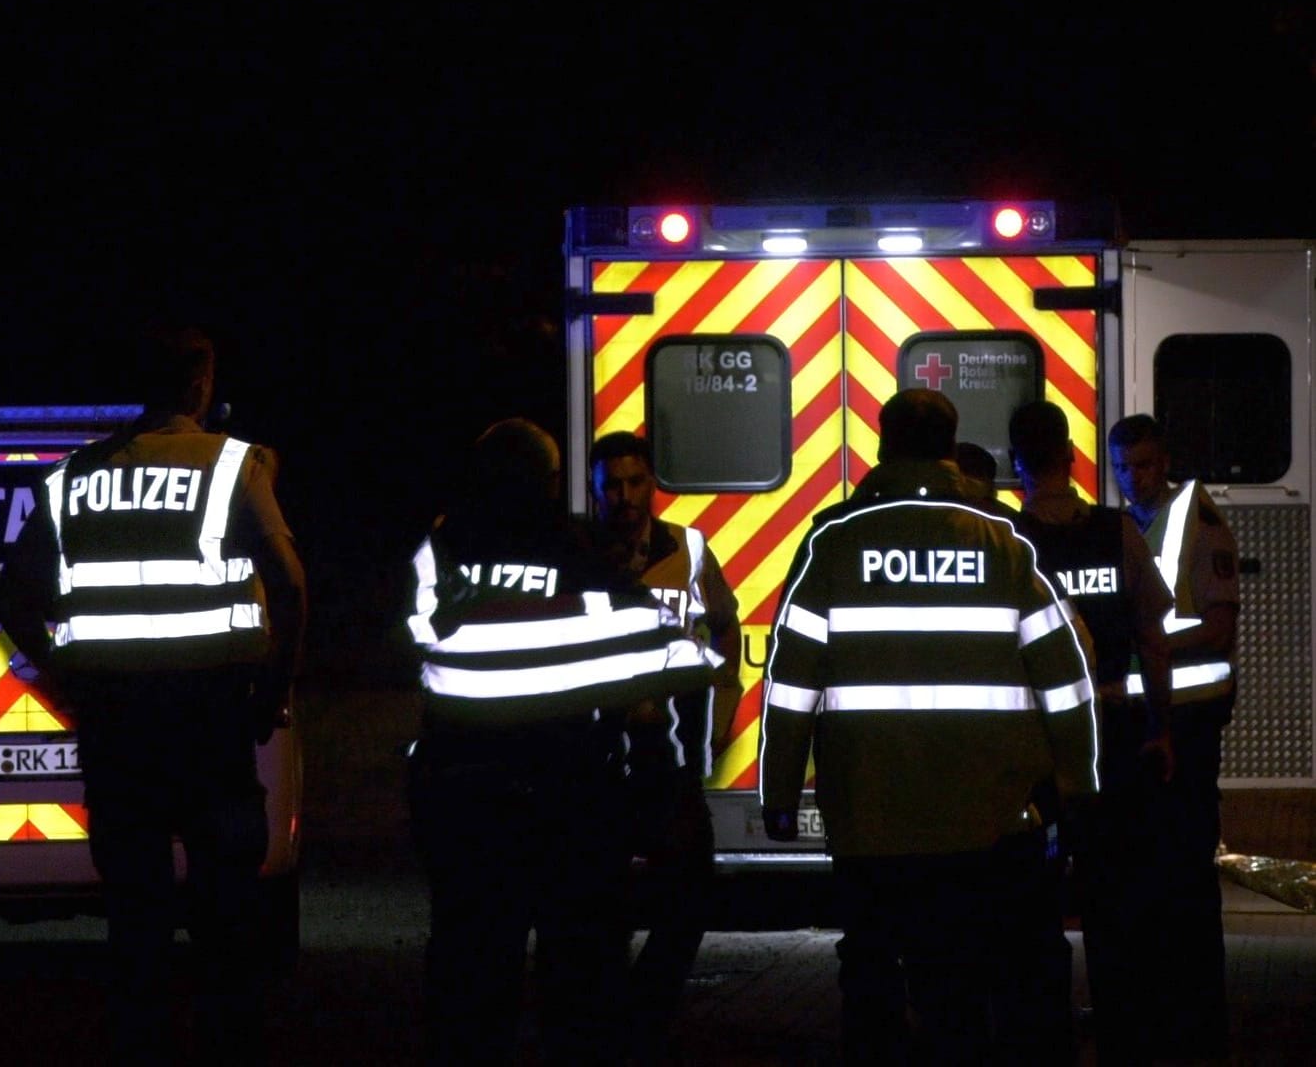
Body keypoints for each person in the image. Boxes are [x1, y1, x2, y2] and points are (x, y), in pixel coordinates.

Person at [0, 326, 308, 1066]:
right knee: (226, 906)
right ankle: (230, 1043)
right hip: (213, 720)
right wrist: (272, 688)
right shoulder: (233, 465)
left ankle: (142, 1041)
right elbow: (289, 586)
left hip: (118, 727)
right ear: (201, 385)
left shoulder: (72, 478)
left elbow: (12, 594)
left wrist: (65, 672)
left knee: (135, 910)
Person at [760, 388, 1098, 1064]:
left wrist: (779, 792)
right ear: (951, 448)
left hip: (869, 817)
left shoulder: (833, 539)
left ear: (882, 447)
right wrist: (1077, 783)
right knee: (962, 983)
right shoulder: (1001, 542)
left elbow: (790, 682)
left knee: (872, 975)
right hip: (987, 820)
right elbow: (1066, 677)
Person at [404, 418, 720, 1067]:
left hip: (461, 794)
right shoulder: (580, 556)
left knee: (468, 967)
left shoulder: (439, 548)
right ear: (551, 482)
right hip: (566, 800)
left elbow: (406, 642)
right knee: (577, 979)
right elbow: (674, 660)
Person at [1010, 400, 1175, 1063]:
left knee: (1034, 906)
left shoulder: (1007, 544)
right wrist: (1161, 727)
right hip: (1112, 736)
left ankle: (1044, 1038)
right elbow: (1152, 638)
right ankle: (1123, 1035)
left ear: (1018, 466)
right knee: (1115, 898)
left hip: (1037, 746)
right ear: (1072, 457)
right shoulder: (1118, 532)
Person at [586, 430, 742, 1063]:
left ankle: (645, 1011)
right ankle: (609, 1023)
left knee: (690, 894)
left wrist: (724, 703)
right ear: (596, 492)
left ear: (652, 483)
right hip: (596, 762)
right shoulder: (577, 555)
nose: (625, 497)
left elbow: (726, 624)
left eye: (635, 483)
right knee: (600, 906)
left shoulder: (689, 549)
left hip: (668, 759)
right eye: (612, 487)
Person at [1109, 412, 1240, 1061]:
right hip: (1147, 724)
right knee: (1148, 877)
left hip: (1189, 725)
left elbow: (1217, 627)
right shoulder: (1129, 525)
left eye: (1149, 465)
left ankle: (1198, 1018)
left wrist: (1145, 643)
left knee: (1186, 875)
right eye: (1126, 468)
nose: (1138, 478)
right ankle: (1162, 1009)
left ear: (1168, 462)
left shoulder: (1199, 521)